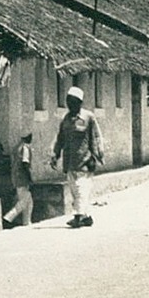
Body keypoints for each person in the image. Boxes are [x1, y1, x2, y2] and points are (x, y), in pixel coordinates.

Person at [50, 86, 103, 228]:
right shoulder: (66, 120)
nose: (70, 104)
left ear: (80, 102)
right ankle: (86, 217)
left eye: (73, 102)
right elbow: (60, 139)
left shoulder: (88, 117)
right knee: (75, 190)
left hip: (85, 161)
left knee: (81, 188)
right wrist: (55, 155)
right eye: (68, 101)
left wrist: (99, 155)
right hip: (69, 162)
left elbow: (96, 137)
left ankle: (78, 216)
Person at [2, 132, 35, 228]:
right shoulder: (25, 148)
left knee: (29, 201)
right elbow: (25, 163)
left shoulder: (17, 148)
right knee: (24, 200)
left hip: (16, 177)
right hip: (23, 178)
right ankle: (8, 218)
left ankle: (27, 221)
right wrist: (30, 178)